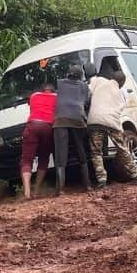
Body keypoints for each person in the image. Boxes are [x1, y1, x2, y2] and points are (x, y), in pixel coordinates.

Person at [87, 70, 137, 187]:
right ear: (122, 82)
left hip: (95, 120)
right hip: (112, 122)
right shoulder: (122, 93)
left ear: (111, 77)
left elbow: (88, 90)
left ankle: (101, 180)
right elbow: (120, 108)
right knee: (123, 148)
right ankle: (135, 176)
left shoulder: (99, 81)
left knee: (96, 151)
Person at [53, 64, 92, 193]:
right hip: (77, 119)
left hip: (60, 120)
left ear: (68, 73)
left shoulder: (59, 83)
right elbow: (86, 102)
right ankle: (87, 185)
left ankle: (60, 189)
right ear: (81, 74)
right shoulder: (84, 86)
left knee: (60, 154)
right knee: (81, 150)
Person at [19, 82, 56, 199]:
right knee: (44, 158)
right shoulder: (57, 97)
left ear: (42, 90)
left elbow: (30, 105)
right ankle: (37, 190)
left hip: (32, 125)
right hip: (48, 127)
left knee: (26, 159)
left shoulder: (34, 96)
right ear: (53, 91)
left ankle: (27, 191)